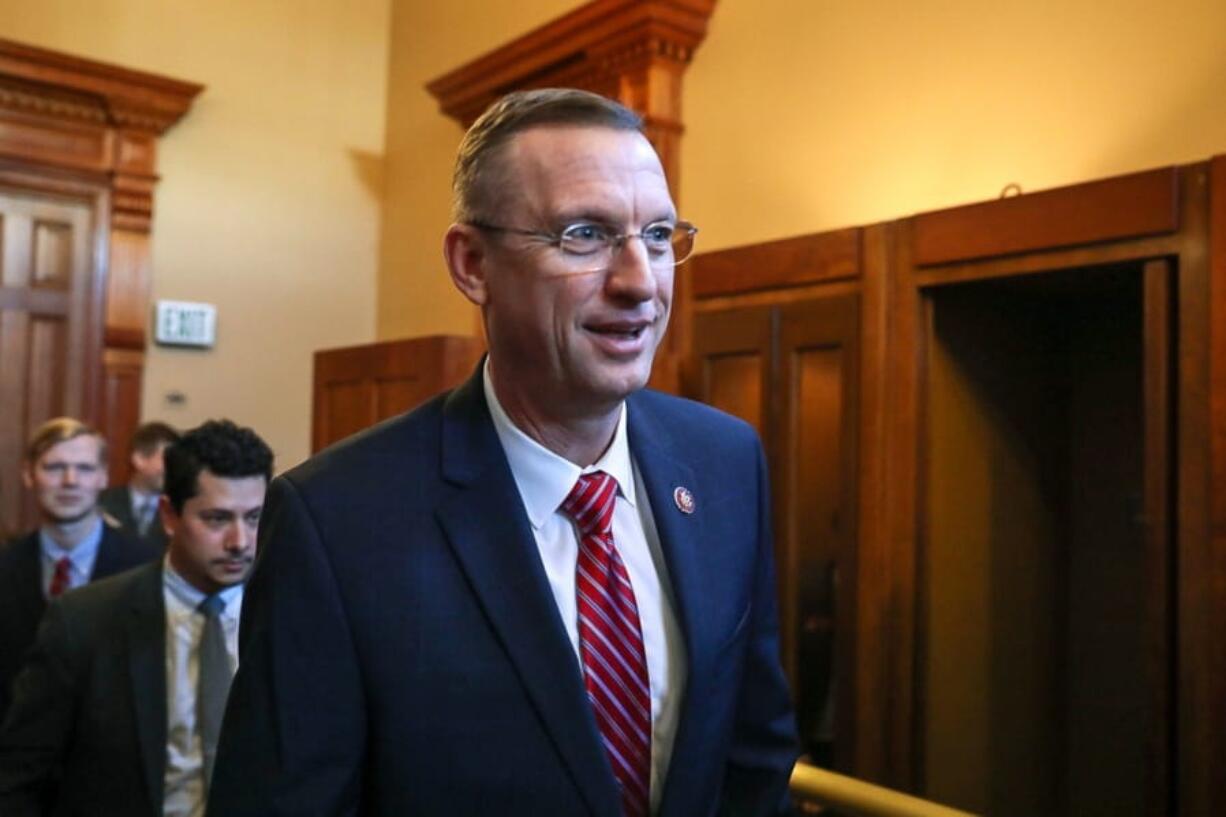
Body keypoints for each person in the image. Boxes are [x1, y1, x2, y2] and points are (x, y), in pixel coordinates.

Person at [209, 89, 798, 817]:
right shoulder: (337, 522)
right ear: (473, 264)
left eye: (658, 235)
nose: (640, 280)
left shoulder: (724, 462)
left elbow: (755, 758)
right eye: (584, 234)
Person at [0, 419, 274, 817]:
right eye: (216, 519)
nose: (240, 542)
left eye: (254, 518)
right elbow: (21, 776)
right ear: (169, 516)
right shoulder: (84, 621)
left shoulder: (290, 617)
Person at [0, 418, 155, 721]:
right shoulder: (5, 567)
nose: (70, 480)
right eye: (54, 468)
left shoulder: (146, 565)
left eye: (84, 468)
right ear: (29, 475)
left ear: (103, 477)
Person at [99, 421, 181, 548]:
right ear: (139, 459)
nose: (174, 469)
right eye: (168, 460)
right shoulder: (102, 503)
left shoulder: (178, 510)